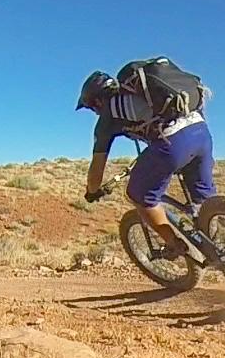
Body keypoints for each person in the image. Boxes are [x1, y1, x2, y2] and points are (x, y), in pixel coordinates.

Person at [75, 70, 215, 258]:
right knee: (205, 201)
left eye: (92, 107)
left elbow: (97, 169)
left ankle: (175, 245)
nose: (95, 112)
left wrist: (92, 191)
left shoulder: (107, 118)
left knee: (138, 194)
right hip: (201, 132)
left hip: (173, 142)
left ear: (98, 101)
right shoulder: (143, 98)